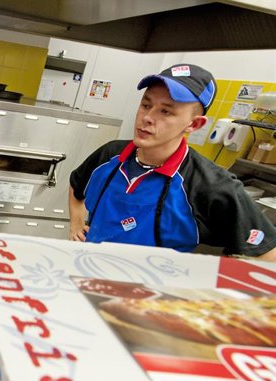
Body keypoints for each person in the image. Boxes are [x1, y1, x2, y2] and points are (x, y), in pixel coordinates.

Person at [69, 63, 276, 261]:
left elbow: (267, 253)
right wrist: (76, 224)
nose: (147, 117)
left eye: (165, 111)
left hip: (149, 292)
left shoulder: (209, 185)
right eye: (146, 104)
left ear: (194, 124)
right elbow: (76, 184)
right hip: (87, 269)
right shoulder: (110, 154)